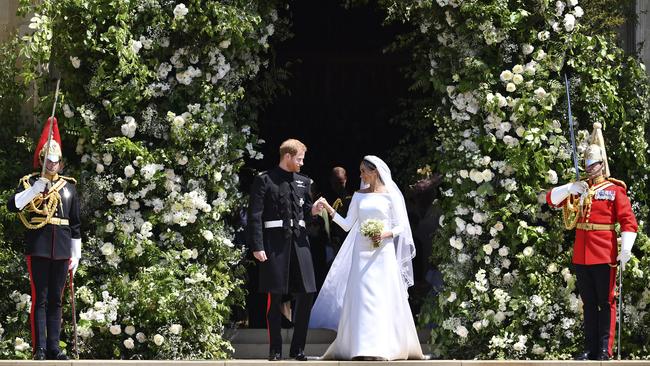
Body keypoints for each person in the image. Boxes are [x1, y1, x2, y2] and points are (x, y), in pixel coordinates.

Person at [309, 155, 424, 360]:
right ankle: (361, 347)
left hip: (383, 250)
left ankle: (383, 347)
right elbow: (347, 224)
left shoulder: (390, 195)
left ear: (375, 172)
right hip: (361, 251)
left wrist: (386, 234)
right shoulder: (358, 196)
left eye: (363, 170)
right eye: (360, 170)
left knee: (382, 296)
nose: (360, 175)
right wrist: (328, 208)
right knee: (362, 297)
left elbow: (402, 226)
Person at [546, 123, 638, 361]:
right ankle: (589, 348)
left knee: (605, 303)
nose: (589, 169)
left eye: (593, 165)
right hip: (581, 254)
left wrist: (625, 249)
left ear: (602, 165)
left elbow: (628, 222)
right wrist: (569, 187)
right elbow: (551, 199)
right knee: (588, 304)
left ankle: (604, 351)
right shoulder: (580, 188)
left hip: (604, 253)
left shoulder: (615, 190)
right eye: (586, 165)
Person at [7, 117, 81, 360]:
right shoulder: (29, 183)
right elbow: (13, 206)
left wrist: (76, 253)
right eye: (48, 161)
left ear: (60, 163)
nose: (52, 165)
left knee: (56, 301)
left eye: (56, 161)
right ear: (41, 161)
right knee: (40, 298)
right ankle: (39, 349)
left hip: (61, 248)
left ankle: (55, 348)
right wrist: (34, 190)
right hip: (38, 245)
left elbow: (75, 224)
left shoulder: (69, 188)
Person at [246, 138, 321, 361]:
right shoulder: (265, 180)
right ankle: (275, 349)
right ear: (287, 156)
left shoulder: (304, 182)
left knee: (307, 293)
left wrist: (314, 210)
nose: (301, 163)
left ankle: (298, 348)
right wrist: (257, 246)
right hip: (275, 244)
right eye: (299, 159)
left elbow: (305, 213)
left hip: (300, 244)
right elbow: (255, 215)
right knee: (275, 296)